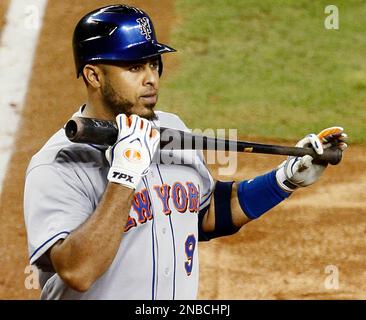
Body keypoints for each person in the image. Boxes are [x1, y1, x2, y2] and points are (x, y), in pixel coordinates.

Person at [23, 4, 348, 300]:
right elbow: (77, 271)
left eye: (154, 63)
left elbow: (206, 213)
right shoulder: (58, 164)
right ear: (94, 75)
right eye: (135, 68)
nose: (152, 79)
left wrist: (283, 181)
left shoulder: (171, 128)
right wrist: (124, 176)